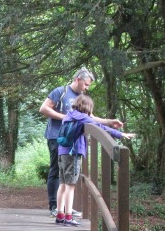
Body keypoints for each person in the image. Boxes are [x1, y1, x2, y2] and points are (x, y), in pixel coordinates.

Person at [39, 67, 125, 217]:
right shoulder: (61, 91)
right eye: (85, 84)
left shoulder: (81, 98)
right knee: (56, 170)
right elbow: (44, 108)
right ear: (77, 80)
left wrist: (109, 122)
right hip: (56, 136)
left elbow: (90, 118)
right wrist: (66, 117)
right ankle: (54, 207)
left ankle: (66, 208)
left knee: (70, 174)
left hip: (73, 141)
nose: (87, 88)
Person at [55, 94, 135, 227]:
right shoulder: (82, 118)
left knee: (63, 184)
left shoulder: (69, 115)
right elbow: (99, 127)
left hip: (62, 152)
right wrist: (120, 134)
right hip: (73, 154)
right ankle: (68, 216)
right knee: (71, 185)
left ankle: (60, 214)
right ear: (87, 108)